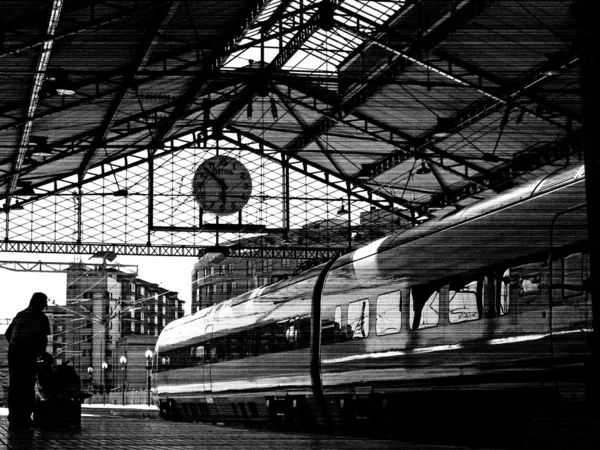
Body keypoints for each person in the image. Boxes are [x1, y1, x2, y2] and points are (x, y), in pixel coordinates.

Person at [5, 292, 50, 429]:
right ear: (41, 304)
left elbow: (8, 333)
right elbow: (42, 339)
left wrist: (15, 345)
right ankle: (24, 418)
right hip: (27, 354)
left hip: (14, 353)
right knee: (26, 385)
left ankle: (14, 417)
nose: (44, 306)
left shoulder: (20, 314)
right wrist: (38, 353)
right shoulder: (40, 317)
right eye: (44, 303)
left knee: (15, 386)